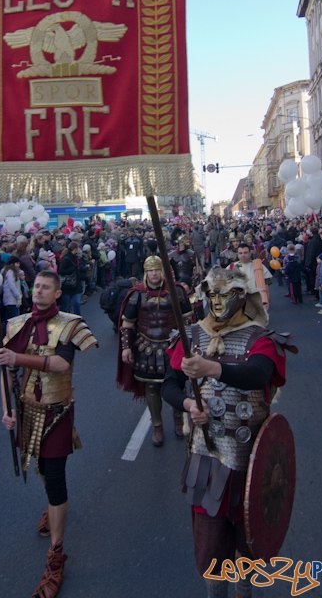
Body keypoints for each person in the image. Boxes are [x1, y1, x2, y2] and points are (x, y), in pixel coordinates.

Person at [162, 265, 296, 598]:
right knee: (210, 546)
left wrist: (213, 368)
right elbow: (170, 384)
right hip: (207, 461)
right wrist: (189, 406)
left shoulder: (259, 337)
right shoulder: (190, 335)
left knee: (248, 540)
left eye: (226, 294)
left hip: (251, 461)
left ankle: (244, 591)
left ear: (241, 296)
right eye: (212, 294)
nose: (218, 301)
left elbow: (258, 374)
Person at [0, 270, 98, 598]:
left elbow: (59, 365)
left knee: (55, 478)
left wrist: (19, 357)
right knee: (40, 466)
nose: (38, 291)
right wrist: (7, 410)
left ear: (57, 293)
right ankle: (52, 509)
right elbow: (5, 370)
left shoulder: (70, 324)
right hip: (26, 409)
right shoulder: (17, 324)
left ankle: (56, 556)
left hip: (56, 412)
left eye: (45, 288)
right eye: (36, 287)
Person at [117, 254, 192, 446]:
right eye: (150, 270)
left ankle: (178, 420)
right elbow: (127, 324)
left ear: (163, 271)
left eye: (157, 270)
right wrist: (126, 348)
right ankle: (157, 426)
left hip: (173, 345)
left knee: (178, 385)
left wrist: (190, 344)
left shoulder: (176, 291)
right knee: (151, 388)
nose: (154, 274)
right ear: (145, 273)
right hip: (147, 347)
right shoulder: (137, 294)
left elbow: (188, 319)